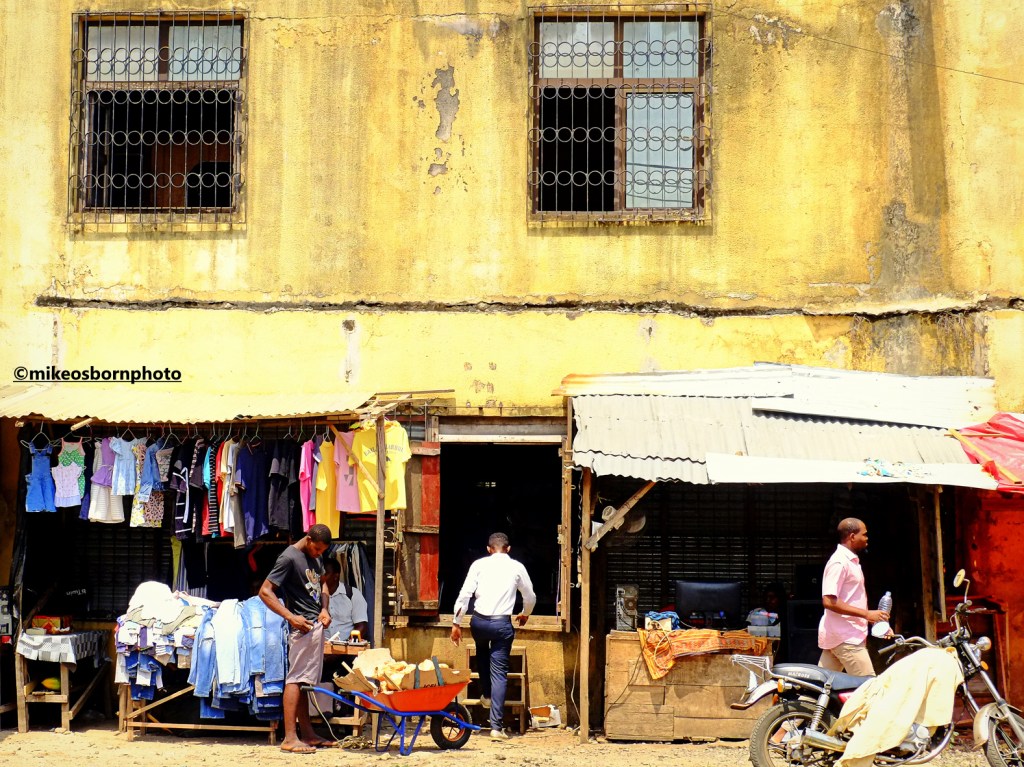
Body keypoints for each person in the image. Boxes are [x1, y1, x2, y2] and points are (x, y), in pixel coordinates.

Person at [259, 524, 336, 753]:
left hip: (314, 625)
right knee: (295, 679)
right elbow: (265, 591)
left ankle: (308, 735)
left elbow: (322, 583)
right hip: (301, 629)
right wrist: (291, 617)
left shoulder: (315, 557)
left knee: (303, 681)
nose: (319, 553)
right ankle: (290, 738)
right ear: (309, 539)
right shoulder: (289, 557)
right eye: (317, 549)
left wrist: (324, 608)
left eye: (323, 551)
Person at [450, 532, 536, 741]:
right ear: (508, 548)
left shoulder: (479, 565)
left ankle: (486, 694)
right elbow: (530, 596)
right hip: (501, 624)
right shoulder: (517, 567)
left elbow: (465, 595)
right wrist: (525, 614)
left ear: (489, 549)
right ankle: (496, 727)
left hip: (479, 622)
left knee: (481, 649)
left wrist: (456, 623)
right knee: (500, 673)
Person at [818, 517, 890, 677]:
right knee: (869, 689)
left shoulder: (851, 562)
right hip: (847, 639)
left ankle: (801, 703)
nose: (867, 538)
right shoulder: (839, 563)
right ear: (852, 537)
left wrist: (872, 619)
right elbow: (829, 601)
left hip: (841, 637)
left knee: (821, 688)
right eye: (864, 534)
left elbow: (851, 599)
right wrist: (866, 614)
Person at [322, 557, 369, 641]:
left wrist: (349, 643)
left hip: (345, 648)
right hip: (321, 647)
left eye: (325, 574)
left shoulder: (353, 594)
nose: (321, 577)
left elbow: (361, 625)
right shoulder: (315, 595)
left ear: (336, 576)